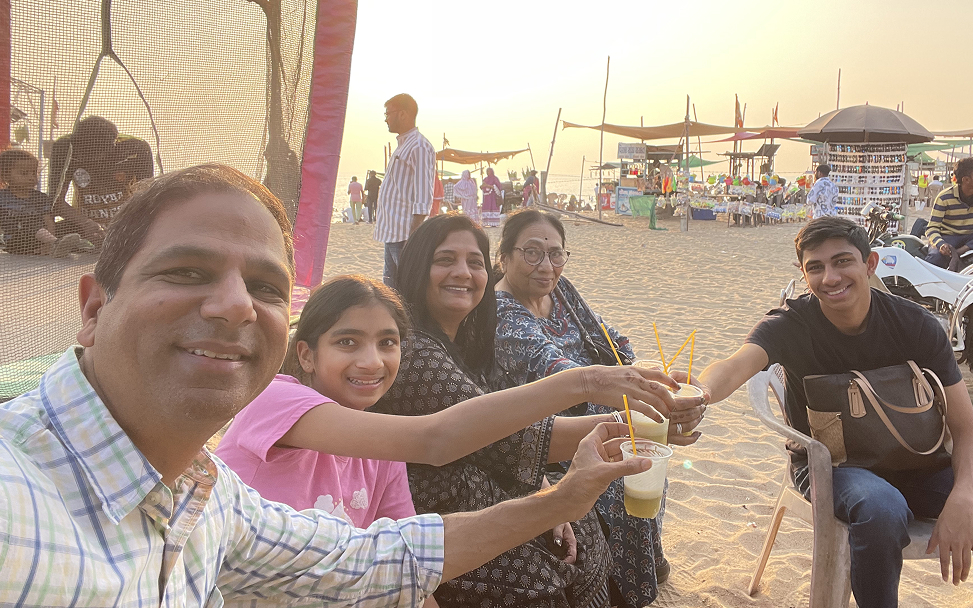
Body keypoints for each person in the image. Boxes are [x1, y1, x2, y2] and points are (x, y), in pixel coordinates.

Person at [0, 163, 661, 607]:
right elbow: (440, 438)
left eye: (265, 288)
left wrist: (563, 498)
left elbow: (376, 555)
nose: (234, 306)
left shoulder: (207, 496)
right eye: (186, 272)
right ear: (94, 308)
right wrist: (590, 385)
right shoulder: (18, 494)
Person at [697, 216, 973, 608]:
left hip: (921, 464)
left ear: (870, 263)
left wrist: (963, 499)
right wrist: (699, 392)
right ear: (803, 273)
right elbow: (733, 366)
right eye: (816, 267)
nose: (831, 277)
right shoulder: (791, 325)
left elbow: (968, 433)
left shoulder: (914, 324)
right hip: (836, 469)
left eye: (843, 261)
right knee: (881, 508)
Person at [369, 213, 701, 608]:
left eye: (474, 262)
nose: (462, 272)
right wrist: (627, 418)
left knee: (583, 525)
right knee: (554, 559)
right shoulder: (417, 351)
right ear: (506, 259)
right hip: (446, 497)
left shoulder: (479, 331)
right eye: (445, 260)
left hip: (514, 459)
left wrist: (640, 399)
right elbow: (504, 431)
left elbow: (612, 342)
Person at [494, 209, 708, 607]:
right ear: (504, 257)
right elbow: (556, 372)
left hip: (605, 405)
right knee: (626, 473)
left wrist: (651, 382)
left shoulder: (561, 290)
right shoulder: (503, 314)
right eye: (532, 252)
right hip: (547, 431)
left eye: (556, 254)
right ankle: (625, 589)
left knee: (648, 459)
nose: (547, 266)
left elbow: (611, 340)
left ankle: (647, 561)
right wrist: (637, 398)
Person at [48, 115, 154, 233]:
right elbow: (55, 200)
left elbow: (146, 196)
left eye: (93, 156)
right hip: (84, 221)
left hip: (125, 221)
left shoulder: (136, 148)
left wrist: (129, 224)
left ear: (111, 147)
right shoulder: (65, 149)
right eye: (83, 154)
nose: (88, 160)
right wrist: (85, 223)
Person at [373, 93, 435, 286]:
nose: (386, 119)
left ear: (403, 114)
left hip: (404, 236)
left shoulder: (419, 146)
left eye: (388, 113)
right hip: (392, 233)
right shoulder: (403, 145)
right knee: (391, 288)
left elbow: (423, 198)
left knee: (408, 287)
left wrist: (412, 239)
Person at [0, 148, 88, 257]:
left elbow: (49, 221)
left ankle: (69, 244)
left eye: (34, 173)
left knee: (70, 224)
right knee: (28, 221)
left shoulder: (40, 197)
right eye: (24, 173)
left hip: (42, 240)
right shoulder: (2, 197)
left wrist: (47, 243)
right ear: (6, 176)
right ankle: (57, 244)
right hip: (17, 241)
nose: (31, 178)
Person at [923, 158, 973, 270]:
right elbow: (931, 228)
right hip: (949, 237)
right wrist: (941, 244)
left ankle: (962, 250)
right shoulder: (944, 197)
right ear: (966, 180)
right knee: (935, 259)